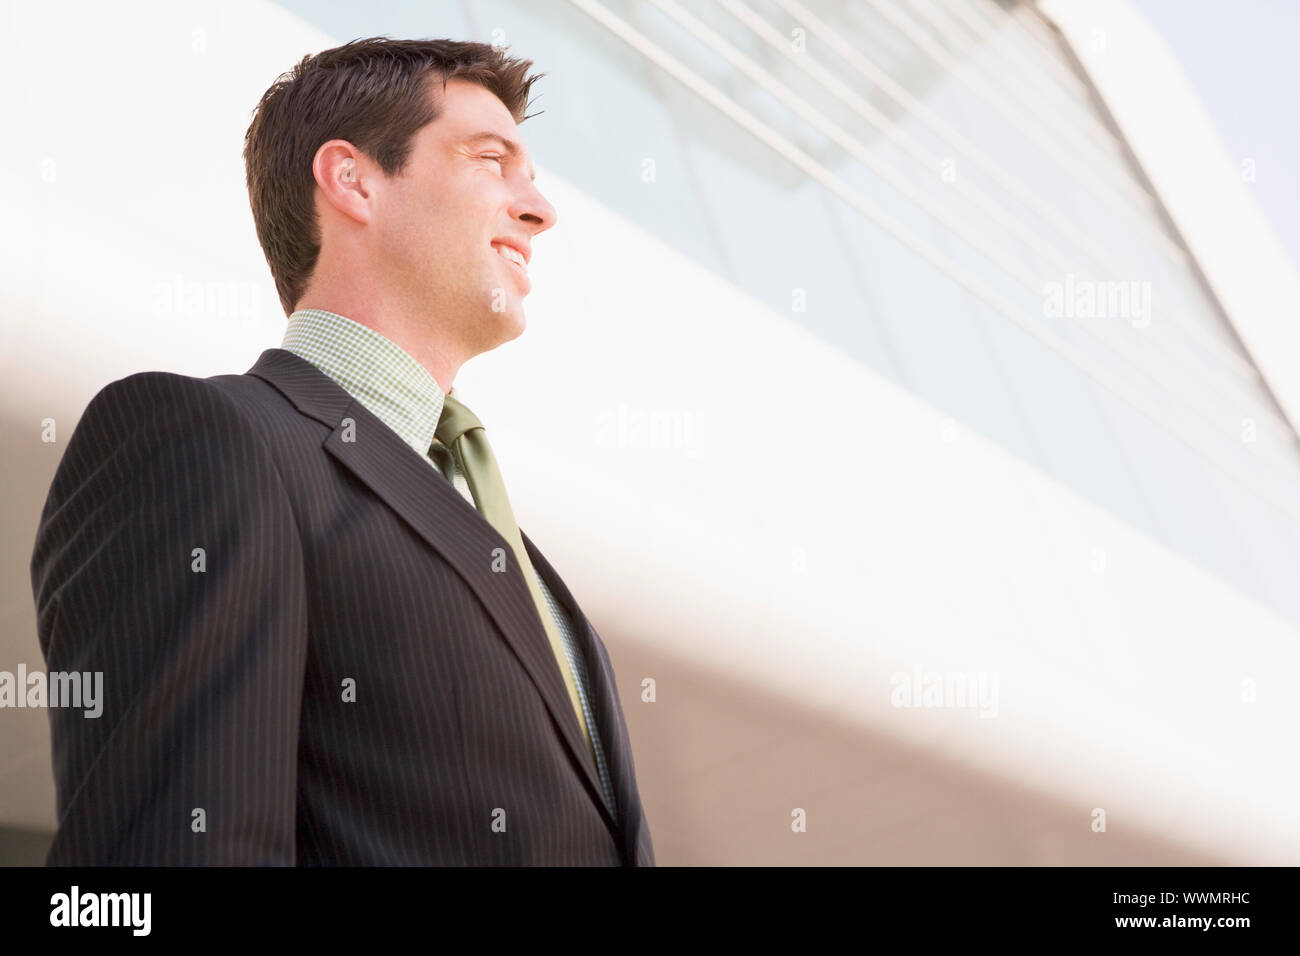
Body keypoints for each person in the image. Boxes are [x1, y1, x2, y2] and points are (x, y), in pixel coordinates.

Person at [29, 37, 654, 866]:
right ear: (352, 179)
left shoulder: (530, 569)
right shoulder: (205, 443)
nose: (539, 208)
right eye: (491, 158)